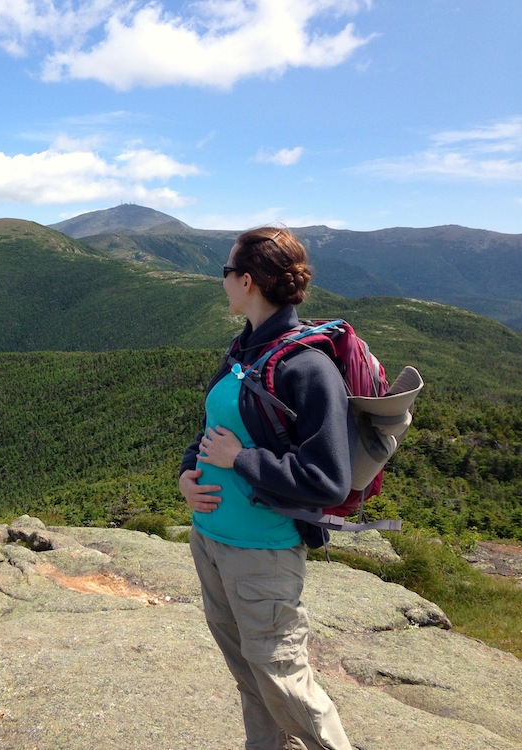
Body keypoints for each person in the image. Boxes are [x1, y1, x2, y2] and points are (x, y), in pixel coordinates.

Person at [179, 227, 354, 750]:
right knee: (250, 679)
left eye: (226, 273)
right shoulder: (244, 350)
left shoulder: (308, 367)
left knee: (284, 679)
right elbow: (211, 426)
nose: (223, 283)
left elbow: (327, 479)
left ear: (248, 280)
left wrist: (242, 460)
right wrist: (187, 476)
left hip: (262, 552)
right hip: (210, 540)